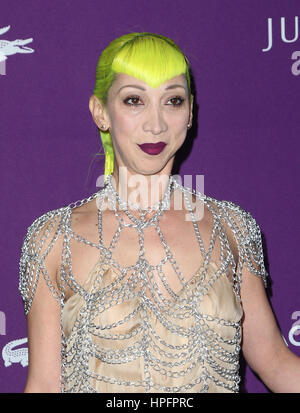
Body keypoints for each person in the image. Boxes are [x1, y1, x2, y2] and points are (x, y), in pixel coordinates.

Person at [19, 32, 300, 393]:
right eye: (134, 100)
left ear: (190, 112)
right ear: (100, 112)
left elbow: (275, 362)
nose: (156, 124)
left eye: (173, 101)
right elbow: (43, 385)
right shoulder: (54, 238)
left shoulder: (231, 228)